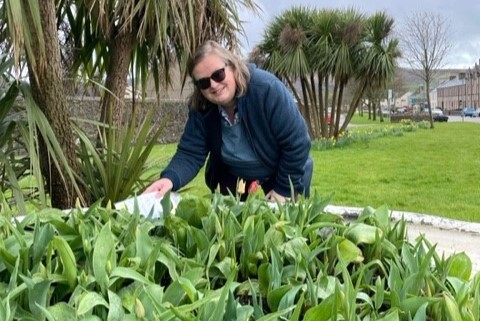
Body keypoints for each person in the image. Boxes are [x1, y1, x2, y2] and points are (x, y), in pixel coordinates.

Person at [144, 40, 313, 203]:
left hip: (281, 170)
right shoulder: (201, 107)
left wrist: (283, 190)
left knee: (284, 224)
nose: (214, 85)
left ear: (232, 67)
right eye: (203, 82)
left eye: (218, 75)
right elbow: (190, 153)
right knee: (229, 226)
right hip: (232, 175)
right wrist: (169, 179)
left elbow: (297, 143)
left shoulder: (267, 89)